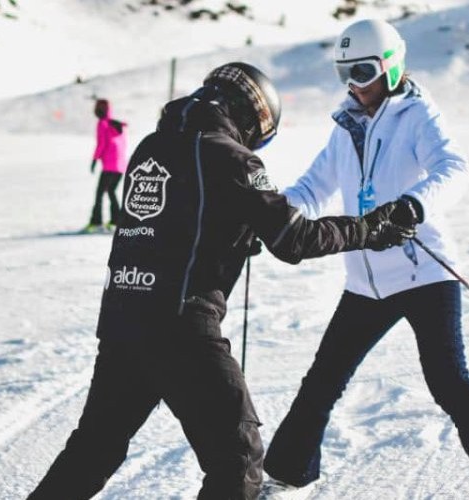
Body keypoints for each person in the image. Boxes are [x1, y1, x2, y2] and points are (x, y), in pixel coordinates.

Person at [27, 62, 412, 500]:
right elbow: (294, 239)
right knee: (239, 459)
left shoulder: (151, 147)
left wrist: (229, 232)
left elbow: (167, 227)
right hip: (182, 330)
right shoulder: (231, 157)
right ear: (252, 116)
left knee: (94, 450)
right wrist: (369, 228)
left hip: (122, 322)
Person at [261, 19, 469, 499]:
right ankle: (285, 481)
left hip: (424, 273)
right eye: (345, 74)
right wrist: (270, 218)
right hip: (365, 284)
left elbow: (453, 168)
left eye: (365, 71)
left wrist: (412, 205)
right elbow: (311, 189)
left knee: (448, 381)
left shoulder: (417, 114)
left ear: (391, 67)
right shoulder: (345, 126)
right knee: (322, 383)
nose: (355, 84)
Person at [85, 98, 128, 233]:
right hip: (121, 166)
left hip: (109, 166)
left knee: (100, 193)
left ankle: (96, 222)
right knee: (111, 191)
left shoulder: (102, 124)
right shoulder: (117, 125)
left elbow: (101, 144)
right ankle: (116, 221)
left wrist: (94, 160)